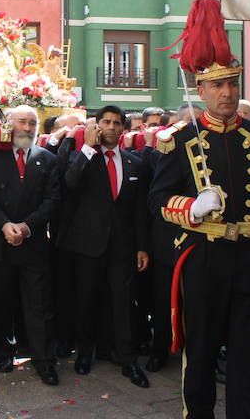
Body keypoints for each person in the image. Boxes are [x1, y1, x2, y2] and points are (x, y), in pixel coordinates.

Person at [148, 0, 250, 419]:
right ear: (201, 90)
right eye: (218, 86)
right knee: (200, 353)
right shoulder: (178, 139)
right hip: (204, 259)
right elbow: (157, 200)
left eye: (233, 84)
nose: (228, 93)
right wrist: (193, 207)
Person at [58, 106, 151, 388]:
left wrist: (142, 247)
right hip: (88, 244)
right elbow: (70, 183)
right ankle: (85, 353)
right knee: (87, 299)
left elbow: (139, 211)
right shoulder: (81, 156)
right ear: (97, 126)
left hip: (123, 246)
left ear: (123, 128)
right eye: (106, 122)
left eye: (116, 123)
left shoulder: (135, 163)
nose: (111, 127)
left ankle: (127, 359)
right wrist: (87, 147)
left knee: (123, 303)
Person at [0, 105, 61, 386]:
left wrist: (26, 227)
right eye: (22, 122)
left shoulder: (46, 158)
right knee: (2, 301)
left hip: (33, 243)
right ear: (8, 124)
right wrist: (5, 225)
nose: (27, 128)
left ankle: (44, 359)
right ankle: (5, 351)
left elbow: (52, 200)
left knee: (39, 304)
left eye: (32, 123)